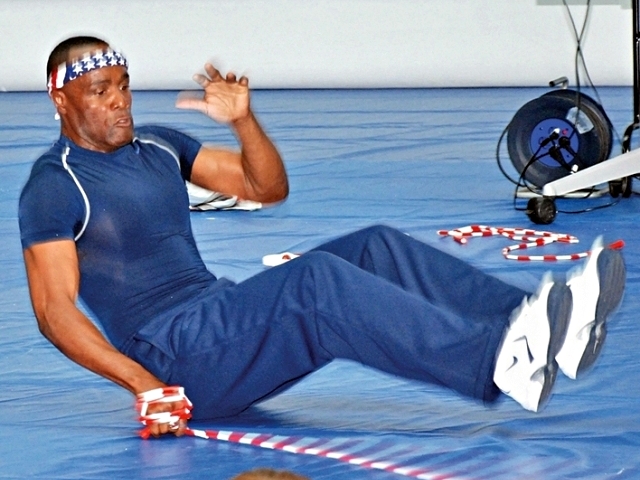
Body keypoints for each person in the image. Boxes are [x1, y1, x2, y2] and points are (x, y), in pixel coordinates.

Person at [19, 35, 626, 439]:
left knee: (375, 246)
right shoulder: (55, 185)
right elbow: (53, 312)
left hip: (219, 320)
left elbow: (266, 187)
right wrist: (145, 384)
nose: (120, 102)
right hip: (174, 358)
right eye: (100, 92)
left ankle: (531, 326)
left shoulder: (156, 144)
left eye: (123, 85)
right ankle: (496, 361)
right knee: (317, 283)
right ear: (60, 98)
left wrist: (243, 122)